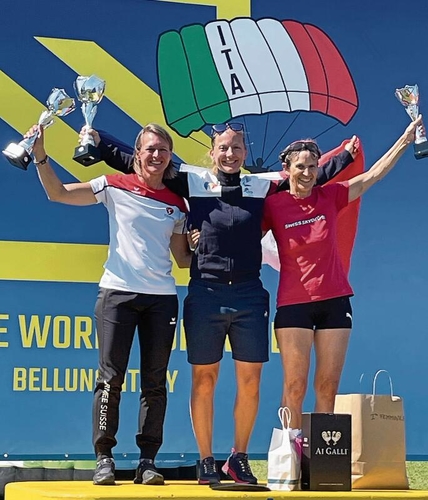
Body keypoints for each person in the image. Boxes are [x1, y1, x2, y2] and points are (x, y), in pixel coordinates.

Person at [83, 122, 358, 485]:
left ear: (245, 153)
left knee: (250, 381)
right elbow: (146, 161)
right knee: (205, 379)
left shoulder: (260, 184)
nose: (230, 154)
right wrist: (100, 143)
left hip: (248, 293)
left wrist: (345, 159)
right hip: (206, 294)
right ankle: (207, 461)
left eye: (237, 148)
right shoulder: (192, 179)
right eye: (223, 148)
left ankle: (238, 458)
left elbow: (306, 177)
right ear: (212, 152)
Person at [25, 123, 192, 486]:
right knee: (110, 379)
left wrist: (207, 242)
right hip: (117, 293)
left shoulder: (179, 203)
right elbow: (58, 194)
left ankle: (148, 460)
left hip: (162, 299)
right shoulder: (114, 186)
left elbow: (183, 261)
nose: (156, 156)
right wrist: (40, 155)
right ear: (137, 155)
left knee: (155, 383)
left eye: (163, 150)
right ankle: (104, 458)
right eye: (150, 149)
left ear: (169, 156)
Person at [262, 115, 423, 430]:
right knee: (294, 386)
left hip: (335, 301)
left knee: (327, 386)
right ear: (288, 169)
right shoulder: (274, 205)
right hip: (294, 304)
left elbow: (374, 175)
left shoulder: (331, 196)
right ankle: (292, 457)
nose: (307, 173)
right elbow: (240, 232)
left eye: (312, 166)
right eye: (301, 167)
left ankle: (321, 464)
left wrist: (405, 140)